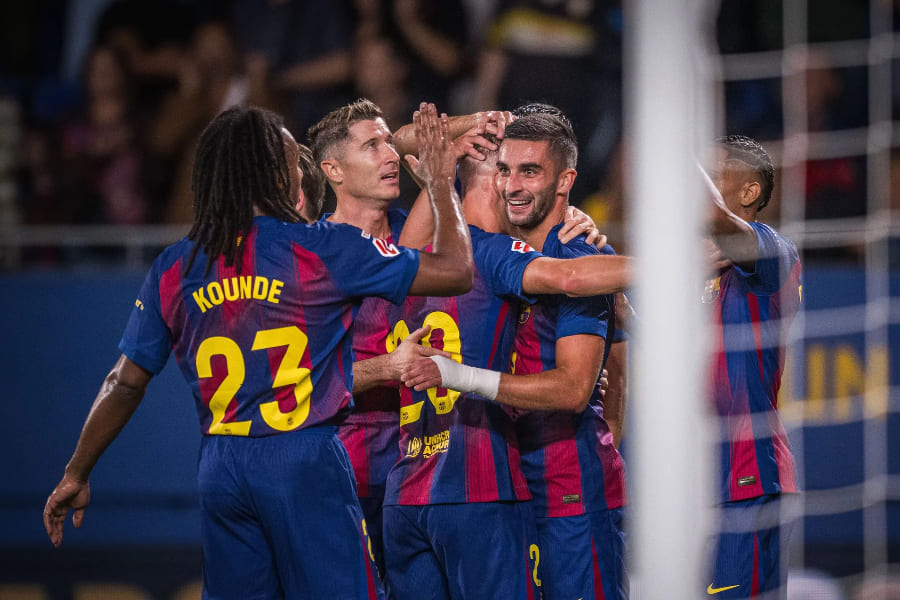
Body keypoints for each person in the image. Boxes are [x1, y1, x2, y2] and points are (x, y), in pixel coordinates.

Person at [43, 104, 473, 599]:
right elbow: (456, 271)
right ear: (275, 175)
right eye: (293, 162)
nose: (301, 173)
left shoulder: (175, 266)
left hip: (221, 469)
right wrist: (441, 184)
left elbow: (124, 382)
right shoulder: (323, 248)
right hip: (303, 457)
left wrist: (77, 471)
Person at [380, 110, 632, 599]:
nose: (512, 185)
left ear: (563, 181)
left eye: (527, 172)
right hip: (494, 483)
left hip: (560, 488)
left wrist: (604, 447)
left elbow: (593, 376)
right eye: (503, 172)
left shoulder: (572, 252)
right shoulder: (494, 255)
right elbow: (398, 140)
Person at [704, 135, 801, 599]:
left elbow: (713, 217)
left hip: (750, 470)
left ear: (749, 192)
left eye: (714, 172)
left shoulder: (773, 251)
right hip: (704, 475)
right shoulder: (700, 272)